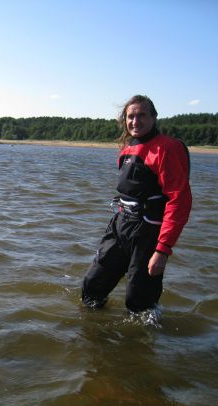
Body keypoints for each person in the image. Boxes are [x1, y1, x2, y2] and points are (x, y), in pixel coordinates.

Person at [81, 95, 192, 312]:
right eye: (130, 116)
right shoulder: (127, 148)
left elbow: (179, 200)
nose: (135, 121)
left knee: (139, 301)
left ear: (153, 117)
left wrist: (163, 249)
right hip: (120, 224)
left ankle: (145, 336)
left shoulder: (167, 148)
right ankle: (94, 335)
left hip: (148, 231)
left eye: (141, 115)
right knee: (92, 287)